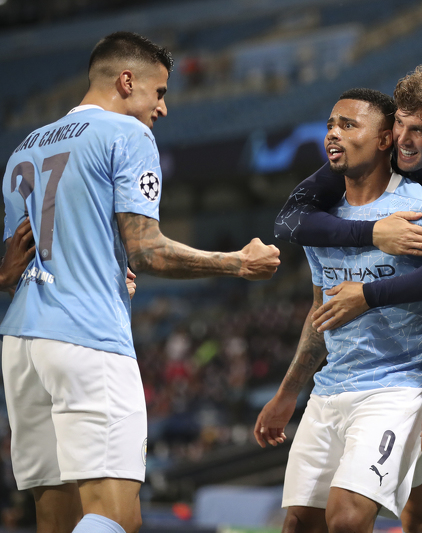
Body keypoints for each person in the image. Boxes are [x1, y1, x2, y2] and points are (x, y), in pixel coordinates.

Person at [1, 31, 280, 533]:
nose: (163, 109)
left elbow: (12, 267)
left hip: (22, 344)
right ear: (127, 82)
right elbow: (147, 250)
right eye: (160, 92)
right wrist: (238, 262)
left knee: (55, 518)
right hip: (88, 339)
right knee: (114, 517)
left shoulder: (23, 148)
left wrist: (106, 269)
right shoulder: (127, 135)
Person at [273, 66, 422, 533]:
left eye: (418, 130)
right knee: (419, 515)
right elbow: (289, 222)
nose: (402, 138)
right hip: (407, 361)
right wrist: (374, 232)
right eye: (399, 123)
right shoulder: (381, 154)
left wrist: (369, 296)